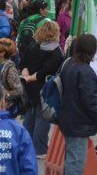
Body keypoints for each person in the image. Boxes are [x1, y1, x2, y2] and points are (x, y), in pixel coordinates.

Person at [58, 34, 97, 175]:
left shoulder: (68, 64)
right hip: (79, 120)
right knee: (76, 158)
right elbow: (90, 100)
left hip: (66, 116)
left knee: (71, 156)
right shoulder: (85, 71)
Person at [21, 21, 65, 158]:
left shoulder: (33, 46)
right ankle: (39, 149)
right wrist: (32, 77)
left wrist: (26, 76)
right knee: (42, 118)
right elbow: (46, 71)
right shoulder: (56, 51)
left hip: (29, 87)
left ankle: (24, 146)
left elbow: (23, 63)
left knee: (29, 116)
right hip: (44, 88)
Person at [0, 38, 24, 113]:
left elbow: (19, 91)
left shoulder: (10, 69)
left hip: (6, 108)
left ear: (2, 53)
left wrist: (5, 94)